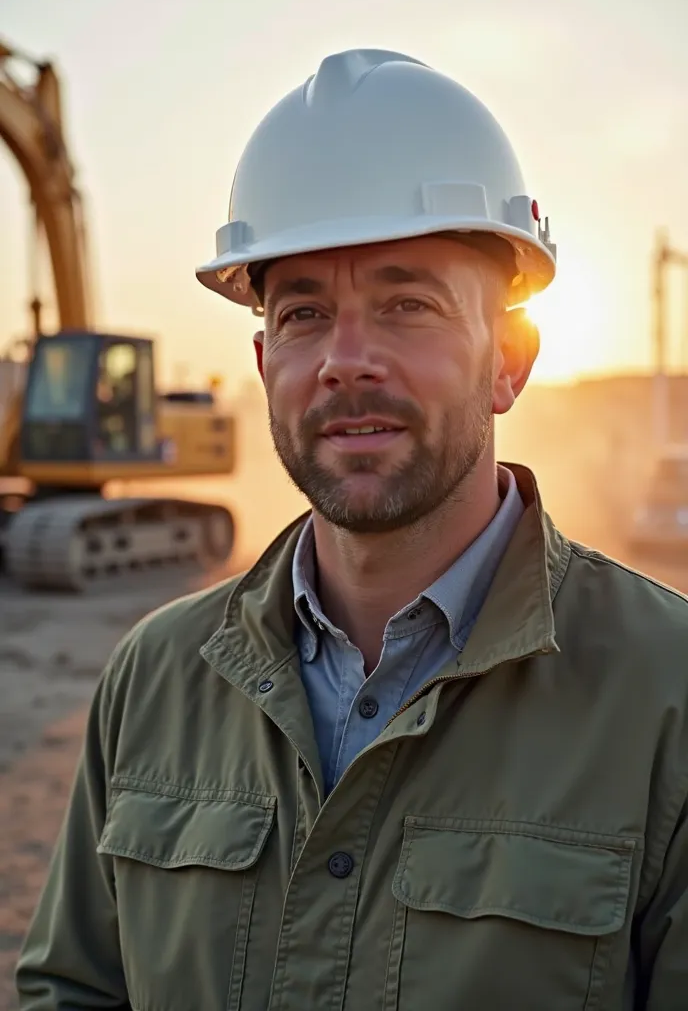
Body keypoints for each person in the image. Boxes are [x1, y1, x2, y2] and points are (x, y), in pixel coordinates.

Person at [15, 49, 688, 1011]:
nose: (346, 360)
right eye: (305, 313)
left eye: (406, 305)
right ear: (262, 360)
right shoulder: (151, 681)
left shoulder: (669, 697)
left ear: (509, 360)